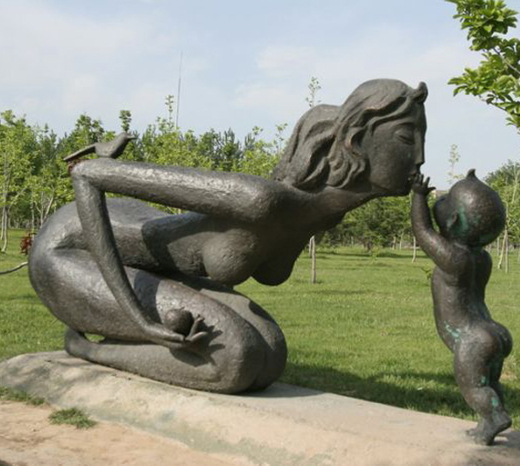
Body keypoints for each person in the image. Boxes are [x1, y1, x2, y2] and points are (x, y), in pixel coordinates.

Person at [29, 79, 428, 393]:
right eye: (407, 139)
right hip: (68, 252)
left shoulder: (320, 215)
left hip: (149, 262)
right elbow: (90, 175)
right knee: (235, 358)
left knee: (270, 356)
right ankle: (86, 347)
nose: (421, 157)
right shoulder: (258, 200)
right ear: (357, 141)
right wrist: (139, 317)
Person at [411, 171, 512, 445]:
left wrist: (418, 196)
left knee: (473, 388)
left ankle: (495, 417)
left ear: (453, 220)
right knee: (490, 382)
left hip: (472, 339)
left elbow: (423, 231)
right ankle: (489, 420)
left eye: (445, 201)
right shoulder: (483, 259)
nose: (441, 201)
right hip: (494, 331)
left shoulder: (454, 258)